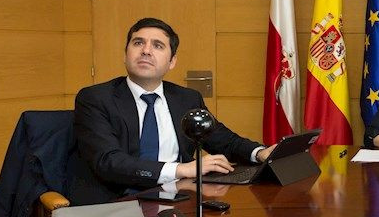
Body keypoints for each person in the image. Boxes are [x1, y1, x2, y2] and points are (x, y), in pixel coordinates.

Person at [71, 17, 275, 205]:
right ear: (125, 55)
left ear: (172, 62)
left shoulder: (186, 98)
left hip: (177, 198)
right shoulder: (95, 98)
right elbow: (108, 162)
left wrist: (259, 153)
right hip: (117, 201)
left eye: (157, 45)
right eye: (138, 43)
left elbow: (223, 140)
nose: (146, 51)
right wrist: (181, 169)